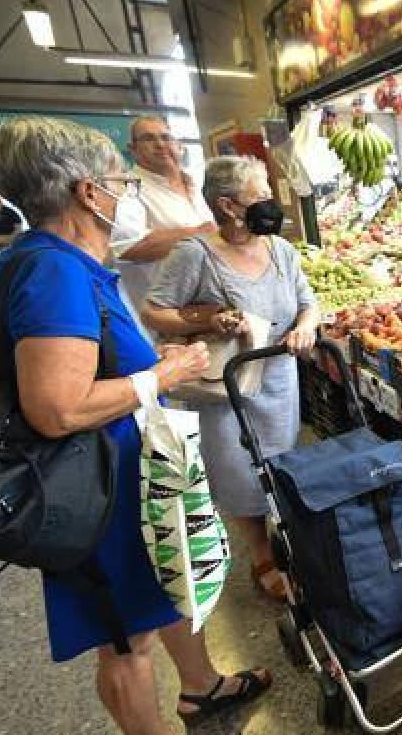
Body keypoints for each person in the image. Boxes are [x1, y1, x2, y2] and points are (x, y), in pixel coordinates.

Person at [0, 116, 271, 734]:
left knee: (157, 588)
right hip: (92, 490)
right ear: (86, 191)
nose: (125, 194)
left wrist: (150, 362)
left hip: (118, 479)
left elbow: (82, 362)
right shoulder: (55, 271)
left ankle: (202, 687)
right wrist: (163, 375)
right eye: (118, 182)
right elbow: (56, 408)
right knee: (124, 642)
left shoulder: (33, 261)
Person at [142, 155, 319, 602]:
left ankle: (288, 541)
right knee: (239, 474)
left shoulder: (280, 249)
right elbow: (154, 310)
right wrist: (210, 317)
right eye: (259, 196)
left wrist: (305, 327)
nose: (270, 204)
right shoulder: (194, 255)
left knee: (277, 464)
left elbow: (308, 302)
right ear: (228, 206)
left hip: (278, 380)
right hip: (226, 391)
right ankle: (261, 557)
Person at [116, 115, 217, 315]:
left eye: (166, 137)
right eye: (148, 139)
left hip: (211, 309)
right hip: (164, 319)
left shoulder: (197, 183)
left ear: (178, 145)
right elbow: (129, 247)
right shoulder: (126, 188)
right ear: (132, 149)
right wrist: (201, 233)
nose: (160, 144)